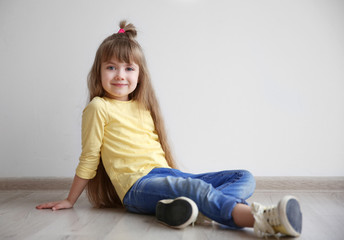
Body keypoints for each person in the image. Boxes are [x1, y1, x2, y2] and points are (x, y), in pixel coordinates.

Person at [36, 20, 302, 238]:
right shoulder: (99, 107)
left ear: (139, 74)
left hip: (163, 175)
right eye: (111, 67)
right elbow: (89, 157)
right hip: (136, 188)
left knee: (244, 176)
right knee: (197, 190)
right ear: (99, 72)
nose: (120, 75)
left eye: (129, 68)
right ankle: (262, 219)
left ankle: (191, 211)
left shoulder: (143, 106)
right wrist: (70, 200)